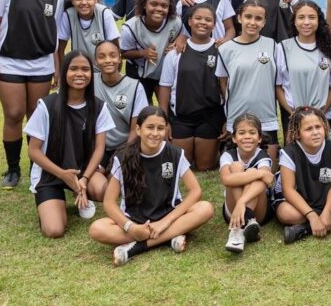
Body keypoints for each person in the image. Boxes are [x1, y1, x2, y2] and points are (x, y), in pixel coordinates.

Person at [88, 107, 215, 266]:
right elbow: (109, 202)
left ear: (166, 130)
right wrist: (131, 228)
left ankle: (137, 247)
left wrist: (165, 222)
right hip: (136, 222)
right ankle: (169, 237)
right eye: (150, 127)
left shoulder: (175, 153)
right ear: (138, 129)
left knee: (205, 208)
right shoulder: (123, 157)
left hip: (169, 217)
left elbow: (196, 191)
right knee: (97, 228)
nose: (155, 133)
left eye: (160, 128)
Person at [0, 0, 64, 189]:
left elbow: (54, 34)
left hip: (41, 65)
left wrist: (57, 67)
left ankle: (35, 166)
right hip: (9, 62)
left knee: (36, 117)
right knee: (13, 114)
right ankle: (12, 168)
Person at [24, 51, 112, 237]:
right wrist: (63, 175)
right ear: (64, 72)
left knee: (103, 190)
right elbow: (33, 151)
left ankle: (79, 190)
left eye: (85, 69)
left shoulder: (99, 106)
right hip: (51, 174)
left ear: (92, 74)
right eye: (73, 69)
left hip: (82, 170)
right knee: (54, 230)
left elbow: (99, 148)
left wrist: (84, 178)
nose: (79, 74)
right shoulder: (46, 105)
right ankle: (56, 199)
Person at [157, 3, 225, 172]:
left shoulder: (221, 51)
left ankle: (219, 150)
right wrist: (164, 121)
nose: (203, 22)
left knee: (204, 166)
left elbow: (226, 89)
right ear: (189, 21)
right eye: (198, 18)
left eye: (208, 20)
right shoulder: (175, 53)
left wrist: (227, 120)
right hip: (182, 117)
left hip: (210, 117)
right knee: (181, 166)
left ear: (214, 25)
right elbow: (165, 88)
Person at [274, 107, 331, 244]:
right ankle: (316, 220)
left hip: (324, 199)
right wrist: (311, 215)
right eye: (308, 129)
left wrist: (328, 211)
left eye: (318, 127)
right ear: (297, 133)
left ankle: (304, 229)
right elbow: (288, 190)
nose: (315, 132)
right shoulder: (289, 153)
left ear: (325, 127)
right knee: (285, 213)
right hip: (300, 202)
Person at [217, 0, 282, 161]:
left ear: (264, 22)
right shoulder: (225, 49)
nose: (252, 22)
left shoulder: (272, 46)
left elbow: (278, 82)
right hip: (237, 115)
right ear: (239, 18)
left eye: (258, 18)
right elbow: (223, 83)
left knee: (269, 169)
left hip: (266, 117)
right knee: (239, 168)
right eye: (248, 17)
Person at [276, 1, 331, 132]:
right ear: (294, 21)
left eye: (311, 17)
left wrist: (322, 112)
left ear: (319, 21)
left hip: (323, 117)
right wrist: (292, 113)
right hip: (293, 116)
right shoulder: (283, 48)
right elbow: (278, 86)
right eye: (301, 17)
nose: (306, 22)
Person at [219, 114, 274, 253]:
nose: (247, 137)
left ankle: (241, 223)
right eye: (242, 133)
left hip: (258, 213)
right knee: (237, 167)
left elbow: (267, 181)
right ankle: (243, 223)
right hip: (232, 210)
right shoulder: (228, 155)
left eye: (252, 132)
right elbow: (226, 180)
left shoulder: (263, 155)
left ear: (259, 137)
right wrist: (259, 173)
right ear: (234, 138)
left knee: (251, 174)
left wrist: (242, 202)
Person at [93, 41, 148, 171]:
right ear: (95, 61)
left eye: (112, 55)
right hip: (96, 147)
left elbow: (135, 130)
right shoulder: (90, 82)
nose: (108, 60)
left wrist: (122, 157)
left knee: (121, 175)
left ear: (119, 58)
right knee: (96, 180)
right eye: (102, 56)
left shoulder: (135, 86)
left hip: (125, 146)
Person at [120, 0, 182, 99]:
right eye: (153, 4)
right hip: (138, 74)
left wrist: (176, 43)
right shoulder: (131, 27)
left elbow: (184, 37)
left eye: (164, 6)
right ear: (144, 4)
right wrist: (142, 53)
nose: (159, 9)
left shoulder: (176, 22)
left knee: (167, 107)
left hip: (164, 73)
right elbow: (123, 53)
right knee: (142, 108)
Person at [57, 0, 119, 71]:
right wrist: (64, 71)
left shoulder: (104, 13)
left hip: (103, 70)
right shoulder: (68, 15)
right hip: (80, 70)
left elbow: (115, 47)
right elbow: (60, 49)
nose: (83, 2)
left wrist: (115, 71)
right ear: (73, 0)